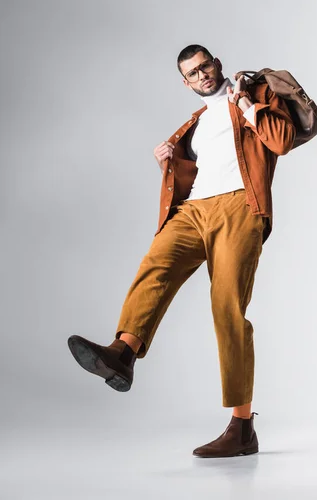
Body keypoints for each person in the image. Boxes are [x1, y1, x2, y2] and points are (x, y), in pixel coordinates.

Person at [67, 44, 295, 458]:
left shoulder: (254, 94)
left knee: (226, 307)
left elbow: (280, 141)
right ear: (185, 82)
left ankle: (241, 428)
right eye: (191, 73)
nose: (201, 75)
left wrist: (245, 104)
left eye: (204, 66)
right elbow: (194, 174)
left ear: (217, 64)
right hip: (193, 210)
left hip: (240, 205)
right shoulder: (195, 122)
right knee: (156, 264)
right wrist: (167, 164)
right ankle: (123, 353)